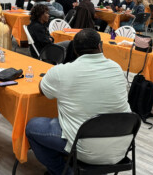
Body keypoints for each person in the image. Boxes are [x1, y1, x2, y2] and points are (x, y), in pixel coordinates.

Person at [25, 29, 132, 175]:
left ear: (74, 49)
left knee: (32, 127)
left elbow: (43, 90)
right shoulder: (117, 68)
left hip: (84, 147)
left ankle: (63, 171)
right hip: (121, 145)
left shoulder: (62, 72)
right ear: (101, 46)